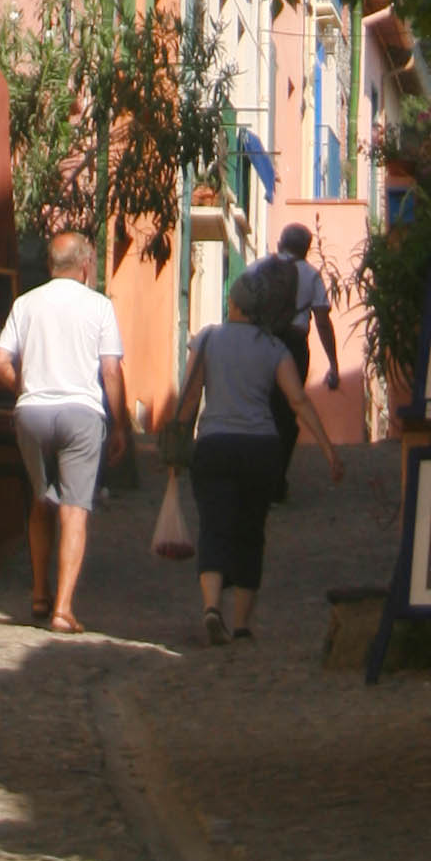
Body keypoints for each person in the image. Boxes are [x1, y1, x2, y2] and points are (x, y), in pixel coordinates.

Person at [168, 260, 338, 643]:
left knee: (214, 527)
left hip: (214, 445)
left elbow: (191, 396)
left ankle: (212, 607)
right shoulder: (275, 348)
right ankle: (242, 624)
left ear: (233, 304)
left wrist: (176, 445)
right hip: (261, 448)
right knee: (250, 533)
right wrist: (328, 449)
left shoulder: (208, 339)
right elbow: (297, 401)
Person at [0, 230, 128, 632]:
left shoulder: (25, 303)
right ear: (86, 266)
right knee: (73, 509)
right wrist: (118, 423)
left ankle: (37, 593)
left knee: (40, 500)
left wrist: (25, 385)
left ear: (51, 265)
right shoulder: (99, 306)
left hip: (32, 412)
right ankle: (63, 609)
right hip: (81, 413)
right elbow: (111, 370)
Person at [272, 221, 344, 491]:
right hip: (292, 346)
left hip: (261, 343)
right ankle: (276, 480)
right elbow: (323, 322)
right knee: (288, 410)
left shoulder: (260, 268)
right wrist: (333, 364)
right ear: (307, 249)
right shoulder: (311, 275)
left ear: (280, 243)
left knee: (261, 408)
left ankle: (255, 477)